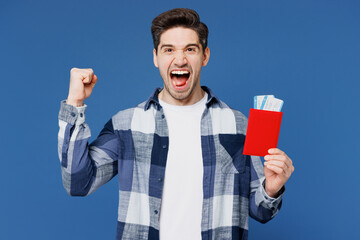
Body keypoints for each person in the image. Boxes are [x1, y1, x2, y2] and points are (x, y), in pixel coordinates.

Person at [58, 8, 294, 240]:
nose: (179, 59)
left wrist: (271, 189)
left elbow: (260, 212)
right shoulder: (126, 125)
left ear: (205, 56)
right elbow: (78, 183)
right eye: (168, 49)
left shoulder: (238, 124)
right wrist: (75, 102)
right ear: (156, 57)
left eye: (190, 49)